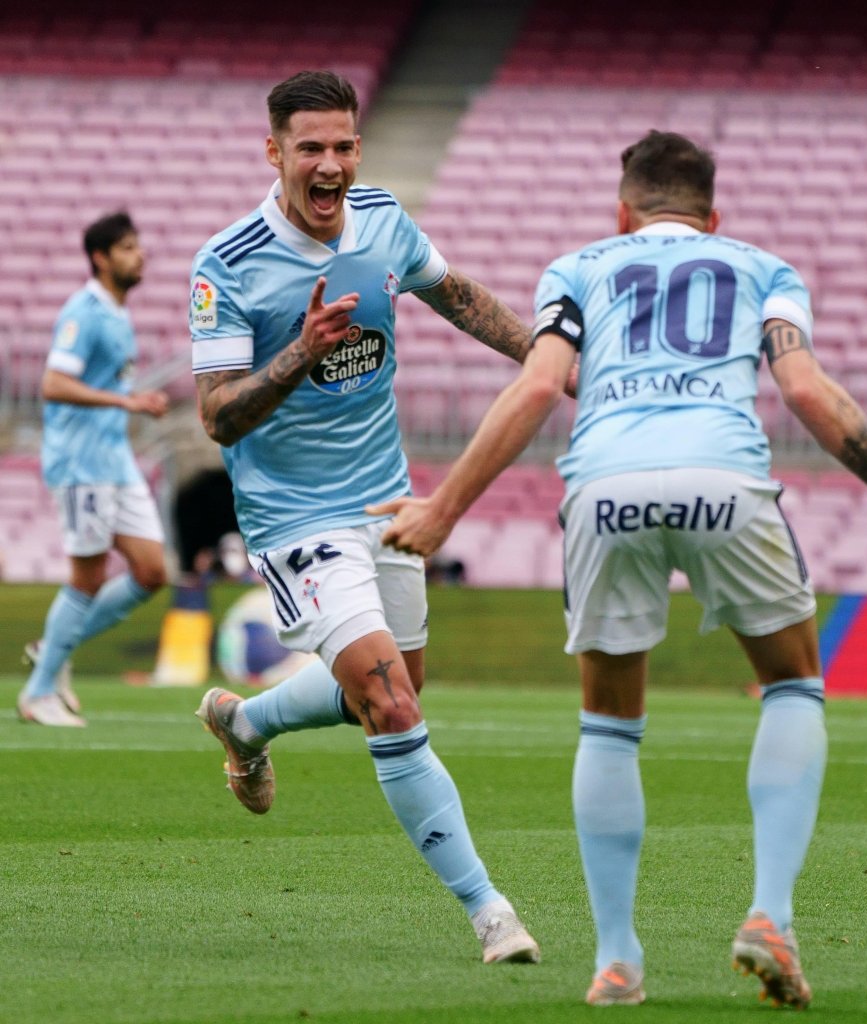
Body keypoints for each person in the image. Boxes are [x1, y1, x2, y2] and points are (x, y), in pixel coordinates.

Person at [369, 131, 867, 1007]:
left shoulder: (577, 268)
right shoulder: (763, 268)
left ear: (623, 213)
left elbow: (540, 386)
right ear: (714, 215)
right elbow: (806, 390)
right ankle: (770, 916)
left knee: (608, 724)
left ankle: (617, 960)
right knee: (792, 686)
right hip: (723, 479)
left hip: (606, 486)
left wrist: (444, 510)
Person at [189, 71, 539, 966]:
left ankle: (247, 722)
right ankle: (491, 912)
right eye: (310, 147)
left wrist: (550, 360)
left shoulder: (382, 217)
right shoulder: (227, 263)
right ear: (274, 152)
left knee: (386, 692)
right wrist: (300, 353)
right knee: (389, 703)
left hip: (386, 502)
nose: (331, 164)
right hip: (294, 519)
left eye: (344, 146)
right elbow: (218, 417)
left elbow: (458, 296)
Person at [19, 212, 169, 727]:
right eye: (127, 247)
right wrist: (126, 403)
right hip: (81, 461)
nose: (140, 254)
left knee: (151, 571)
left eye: (138, 245)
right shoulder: (82, 312)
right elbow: (54, 383)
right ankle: (39, 693)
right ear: (101, 258)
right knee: (88, 575)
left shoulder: (117, 313)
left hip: (114, 460)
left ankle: (53, 650)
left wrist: (131, 400)